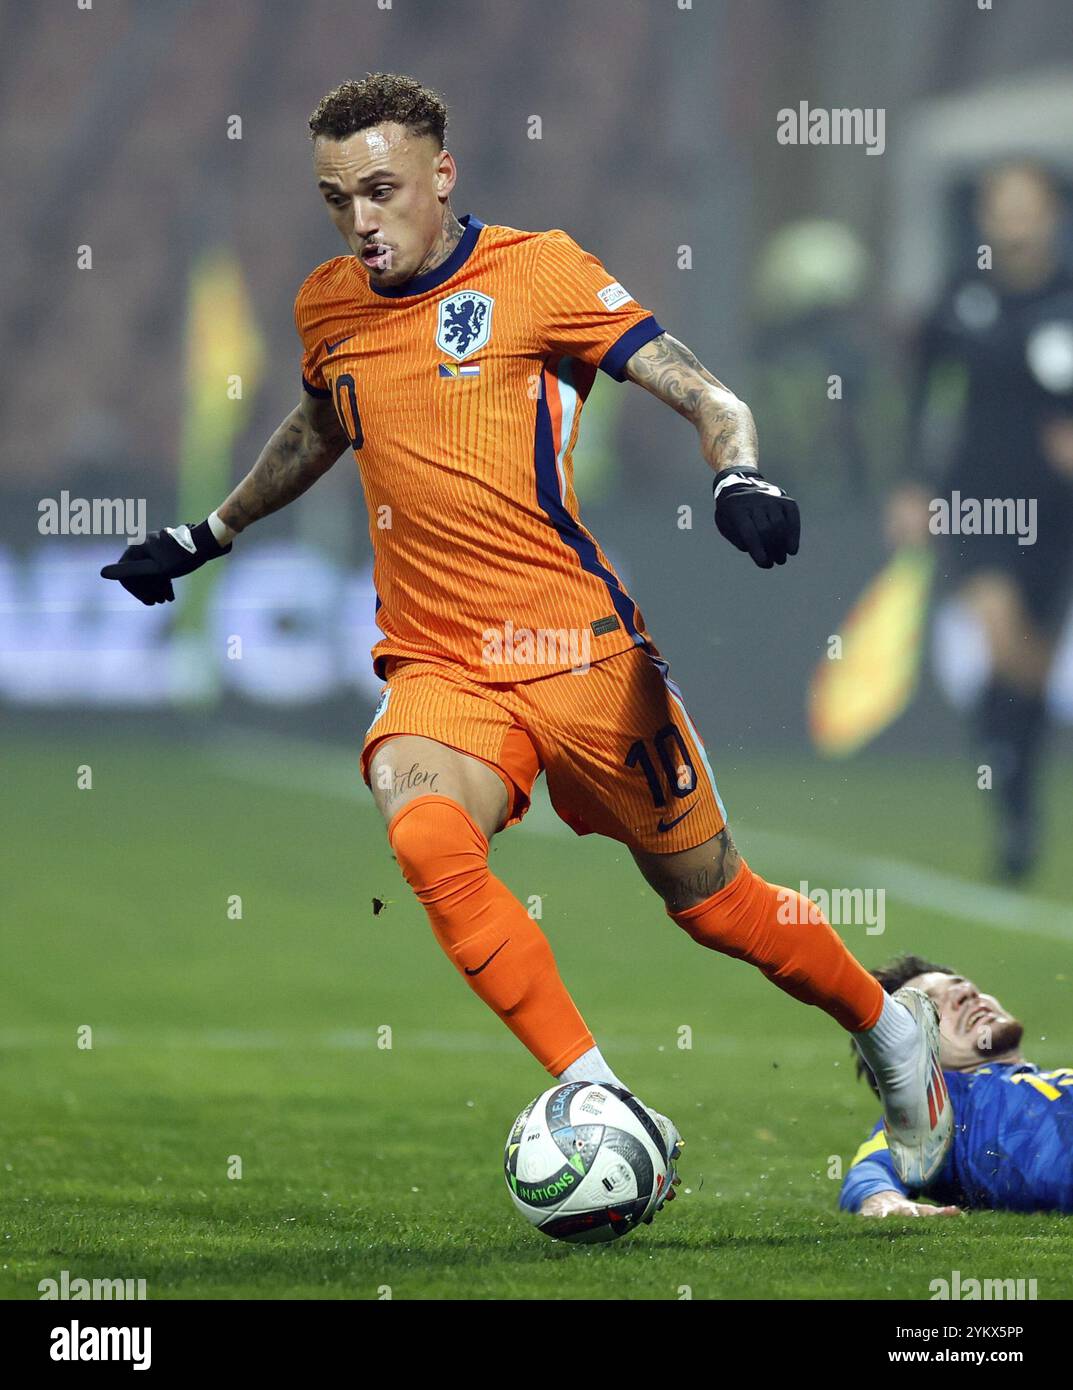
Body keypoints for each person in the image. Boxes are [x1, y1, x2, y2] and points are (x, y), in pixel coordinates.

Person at [101, 72, 950, 1232]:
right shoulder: (327, 306)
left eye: (382, 191)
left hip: (579, 653)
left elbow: (704, 391)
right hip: (438, 665)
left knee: (713, 904)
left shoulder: (537, 271)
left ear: (441, 175)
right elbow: (322, 420)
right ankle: (601, 1097)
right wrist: (210, 533)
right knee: (425, 835)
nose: (360, 221)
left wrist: (738, 476)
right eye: (337, 199)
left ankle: (887, 1030)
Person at [889, 161, 1073, 880]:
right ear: (986, 218)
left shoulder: (1066, 296)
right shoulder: (960, 297)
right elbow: (921, 395)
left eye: (1027, 207)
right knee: (1000, 637)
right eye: (1002, 207)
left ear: (1051, 214)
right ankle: (1012, 805)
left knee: (1034, 665)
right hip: (978, 502)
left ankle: (1017, 801)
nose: (1014, 220)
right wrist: (913, 483)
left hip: (1057, 509)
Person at [841, 954, 1072, 1217]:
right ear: (900, 1057)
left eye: (962, 984)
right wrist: (884, 1202)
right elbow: (871, 1172)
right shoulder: (936, 1112)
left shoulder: (1056, 1077)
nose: (967, 992)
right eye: (930, 1005)